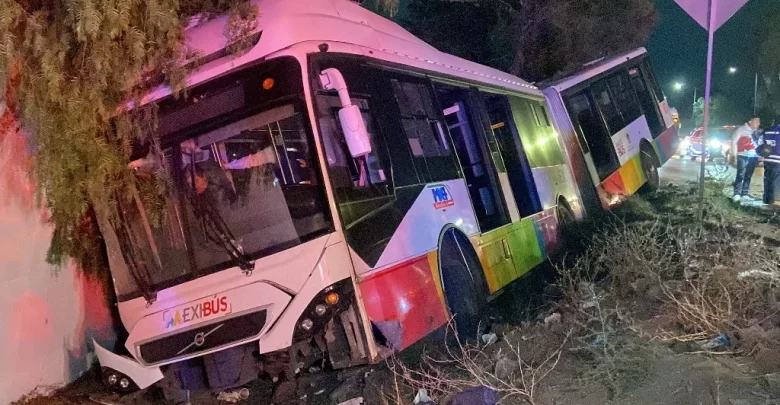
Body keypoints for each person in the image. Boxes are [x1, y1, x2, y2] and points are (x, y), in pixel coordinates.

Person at [731, 117, 761, 202]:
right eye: (756, 121)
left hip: (753, 156)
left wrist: (760, 155)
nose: (758, 124)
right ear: (750, 122)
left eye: (759, 122)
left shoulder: (757, 132)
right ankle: (737, 193)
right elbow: (734, 141)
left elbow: (760, 144)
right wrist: (734, 154)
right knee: (741, 174)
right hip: (743, 155)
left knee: (748, 175)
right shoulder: (741, 130)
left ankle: (744, 193)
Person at [761, 119, 780, 204]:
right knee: (776, 179)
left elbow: (760, 142)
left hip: (767, 158)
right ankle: (774, 199)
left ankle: (766, 198)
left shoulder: (767, 131)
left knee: (767, 178)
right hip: (777, 158)